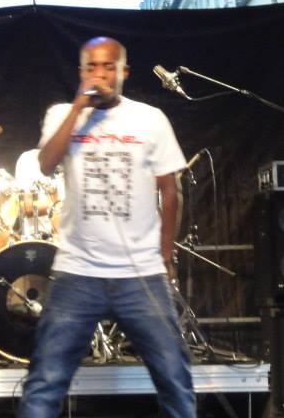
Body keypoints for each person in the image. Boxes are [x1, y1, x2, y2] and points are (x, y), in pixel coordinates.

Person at [18, 37, 195, 418]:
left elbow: (171, 190)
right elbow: (46, 164)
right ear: (82, 72)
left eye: (108, 67)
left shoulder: (150, 119)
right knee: (45, 382)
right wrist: (78, 108)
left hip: (141, 274)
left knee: (175, 379)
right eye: (92, 67)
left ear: (123, 72)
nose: (100, 74)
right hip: (77, 271)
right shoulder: (61, 114)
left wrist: (165, 256)